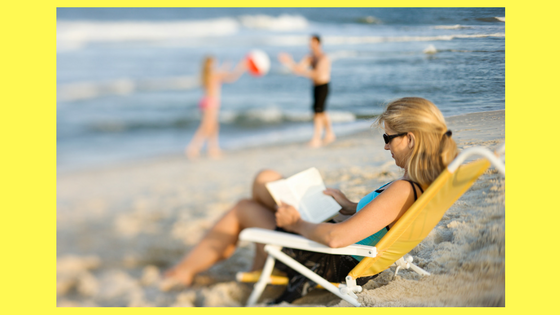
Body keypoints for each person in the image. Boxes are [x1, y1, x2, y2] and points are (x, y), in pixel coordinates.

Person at [163, 97, 458, 304]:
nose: (385, 147)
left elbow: (334, 238)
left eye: (388, 138)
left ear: (410, 139)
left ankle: (181, 274)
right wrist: (349, 205)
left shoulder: (403, 190)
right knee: (265, 179)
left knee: (245, 208)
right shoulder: (417, 186)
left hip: (327, 259)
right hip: (347, 248)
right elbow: (384, 220)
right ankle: (257, 264)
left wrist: (296, 222)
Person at [278, 34, 336, 148]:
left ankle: (316, 139)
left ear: (318, 43)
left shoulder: (323, 58)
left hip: (323, 86)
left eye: (312, 42)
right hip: (315, 87)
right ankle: (330, 134)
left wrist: (303, 72)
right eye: (309, 42)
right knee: (321, 111)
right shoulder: (310, 57)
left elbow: (317, 74)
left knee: (318, 112)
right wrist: (288, 61)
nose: (310, 44)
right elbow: (298, 69)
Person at [185, 56, 247, 159]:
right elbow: (232, 77)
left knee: (213, 126)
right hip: (211, 103)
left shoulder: (206, 75)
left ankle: (212, 149)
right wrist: (241, 67)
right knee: (206, 127)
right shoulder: (215, 74)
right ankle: (193, 148)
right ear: (211, 64)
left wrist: (224, 68)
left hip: (206, 102)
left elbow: (222, 74)